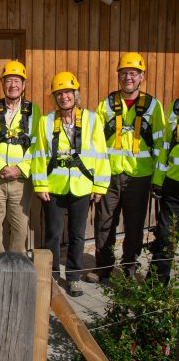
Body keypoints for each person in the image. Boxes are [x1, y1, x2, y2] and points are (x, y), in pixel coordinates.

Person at [87, 53, 165, 283]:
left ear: (141, 76)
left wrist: (157, 179)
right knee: (104, 223)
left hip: (140, 176)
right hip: (110, 174)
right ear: (118, 76)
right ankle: (103, 268)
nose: (128, 77)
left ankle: (129, 268)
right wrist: (96, 177)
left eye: (133, 73)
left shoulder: (153, 106)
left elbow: (161, 144)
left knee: (134, 225)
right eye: (124, 73)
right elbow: (96, 143)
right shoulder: (107, 104)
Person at [31, 72, 110, 296]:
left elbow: (101, 155)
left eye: (68, 92)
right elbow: (39, 155)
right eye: (59, 93)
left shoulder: (92, 119)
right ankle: (53, 275)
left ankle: (73, 277)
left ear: (76, 94)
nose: (64, 97)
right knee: (53, 235)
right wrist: (40, 185)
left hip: (82, 186)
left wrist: (99, 187)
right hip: (54, 187)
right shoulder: (46, 121)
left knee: (77, 234)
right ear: (54, 97)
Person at [0, 61, 41, 255]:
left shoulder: (33, 110)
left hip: (21, 180)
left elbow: (37, 145)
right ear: (2, 83)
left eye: (17, 80)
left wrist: (19, 169)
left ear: (23, 85)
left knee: (20, 226)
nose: (13, 85)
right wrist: (1, 167)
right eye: (8, 80)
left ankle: (17, 261)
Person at [149, 98, 179, 284]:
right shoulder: (177, 106)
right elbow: (165, 148)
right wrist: (158, 182)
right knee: (165, 238)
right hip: (173, 188)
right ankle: (154, 289)